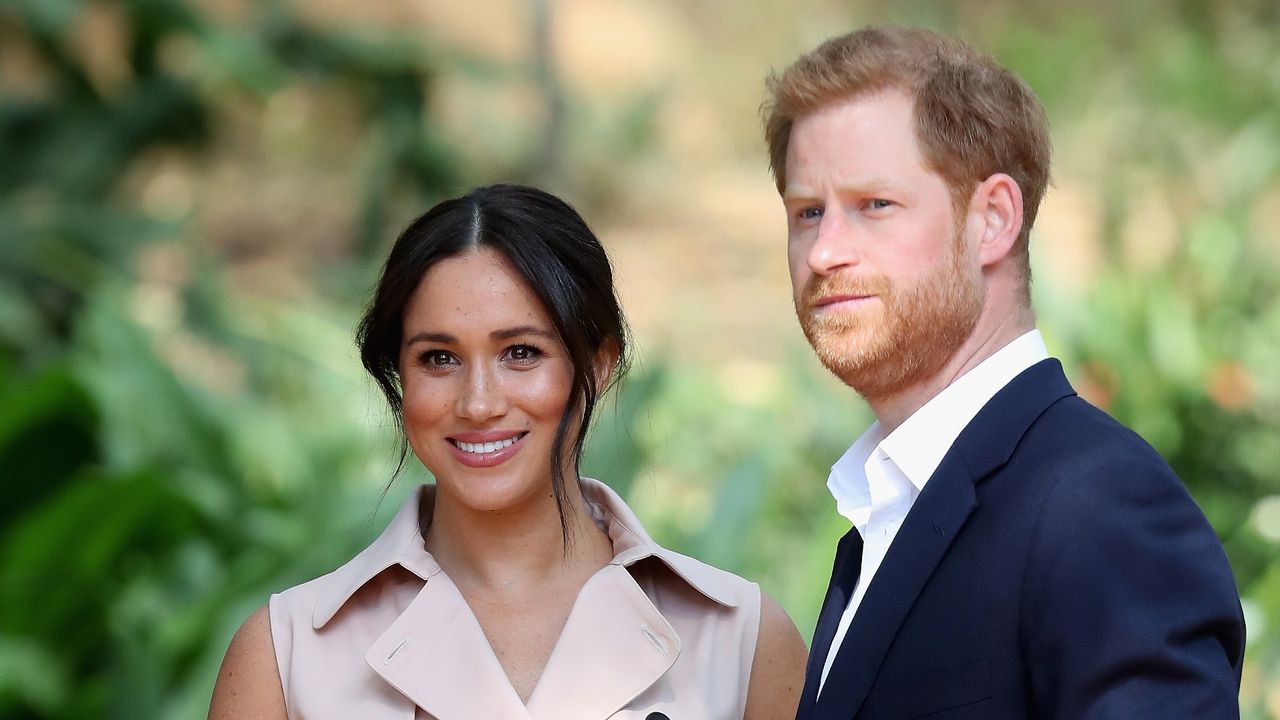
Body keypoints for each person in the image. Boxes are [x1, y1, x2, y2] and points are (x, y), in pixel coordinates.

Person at [762, 26, 1245, 719]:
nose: (823, 252)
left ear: (992, 220)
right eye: (808, 213)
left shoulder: (1099, 506)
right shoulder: (887, 512)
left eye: (874, 205)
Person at [208, 184, 807, 719]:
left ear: (595, 366)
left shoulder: (743, 642)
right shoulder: (285, 656)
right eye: (438, 358)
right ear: (400, 379)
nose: (478, 403)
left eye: (520, 352)